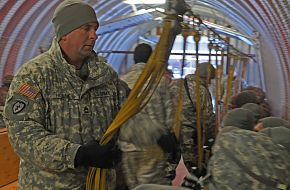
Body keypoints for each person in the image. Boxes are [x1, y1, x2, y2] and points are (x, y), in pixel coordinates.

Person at [3, 1, 129, 189]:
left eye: (95, 28)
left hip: (98, 184)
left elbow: (126, 117)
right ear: (65, 34)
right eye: (86, 28)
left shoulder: (106, 76)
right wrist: (77, 155)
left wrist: (152, 134)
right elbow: (23, 134)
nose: (94, 35)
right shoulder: (34, 75)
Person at [118, 43, 180, 189]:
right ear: (151, 58)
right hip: (153, 147)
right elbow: (170, 117)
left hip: (127, 148)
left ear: (134, 59)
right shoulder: (159, 81)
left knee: (133, 186)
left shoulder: (122, 81)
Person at [180, 62, 216, 177]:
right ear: (206, 77)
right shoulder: (201, 91)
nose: (210, 83)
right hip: (190, 137)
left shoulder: (178, 85)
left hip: (173, 134)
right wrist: (212, 138)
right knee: (195, 170)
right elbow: (208, 119)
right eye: (210, 79)